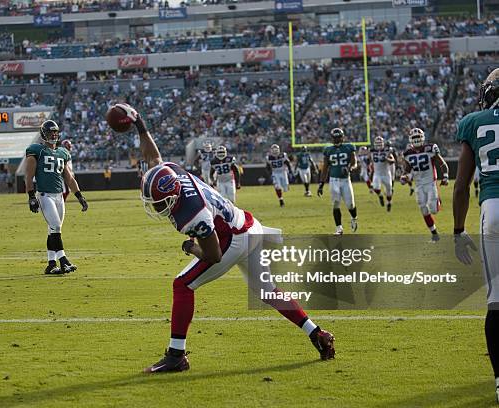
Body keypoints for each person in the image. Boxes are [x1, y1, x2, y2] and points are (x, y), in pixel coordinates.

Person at [114, 103, 334, 373]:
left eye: (159, 203)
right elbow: (154, 159)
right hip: (249, 225)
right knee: (267, 291)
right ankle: (318, 334)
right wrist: (140, 125)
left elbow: (214, 255)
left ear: (171, 197)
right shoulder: (172, 172)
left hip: (231, 240)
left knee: (182, 285)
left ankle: (176, 356)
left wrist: (192, 247)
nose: (157, 208)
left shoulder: (193, 214)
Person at [453, 68, 499, 403]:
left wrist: (457, 231)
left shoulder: (474, 121)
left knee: (496, 304)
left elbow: (461, 186)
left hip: (494, 210)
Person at [25, 120, 89, 275]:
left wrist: (79, 196)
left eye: (55, 132)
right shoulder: (36, 150)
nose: (53, 134)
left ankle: (51, 264)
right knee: (56, 226)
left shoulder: (62, 152)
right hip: (45, 195)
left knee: (52, 229)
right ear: (43, 134)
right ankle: (64, 261)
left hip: (59, 196)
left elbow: (69, 178)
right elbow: (28, 176)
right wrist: (31, 196)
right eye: (49, 132)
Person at [401, 128, 449, 242]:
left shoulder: (430, 148)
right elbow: (407, 170)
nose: (417, 140)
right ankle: (435, 235)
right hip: (418, 185)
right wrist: (404, 177)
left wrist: (446, 176)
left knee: (434, 210)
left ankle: (438, 200)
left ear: (423, 137)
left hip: (431, 182)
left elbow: (442, 163)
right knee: (424, 209)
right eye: (414, 138)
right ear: (410, 139)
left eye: (418, 137)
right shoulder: (408, 153)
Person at [317, 128, 358, 235]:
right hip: (334, 180)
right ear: (332, 138)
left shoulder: (349, 147)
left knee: (350, 204)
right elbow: (325, 168)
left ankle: (354, 218)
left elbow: (354, 163)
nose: (337, 139)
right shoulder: (328, 150)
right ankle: (339, 228)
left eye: (339, 137)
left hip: (345, 180)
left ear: (342, 137)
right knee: (336, 203)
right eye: (335, 137)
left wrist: (349, 168)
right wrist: (321, 184)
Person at [369, 136, 396, 212]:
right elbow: (370, 160)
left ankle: (389, 202)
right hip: (377, 173)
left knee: (389, 191)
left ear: (383, 144)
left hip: (386, 173)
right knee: (376, 188)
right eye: (377, 144)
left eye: (380, 143)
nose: (379, 145)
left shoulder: (387, 151)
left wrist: (387, 159)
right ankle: (380, 196)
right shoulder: (371, 151)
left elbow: (393, 160)